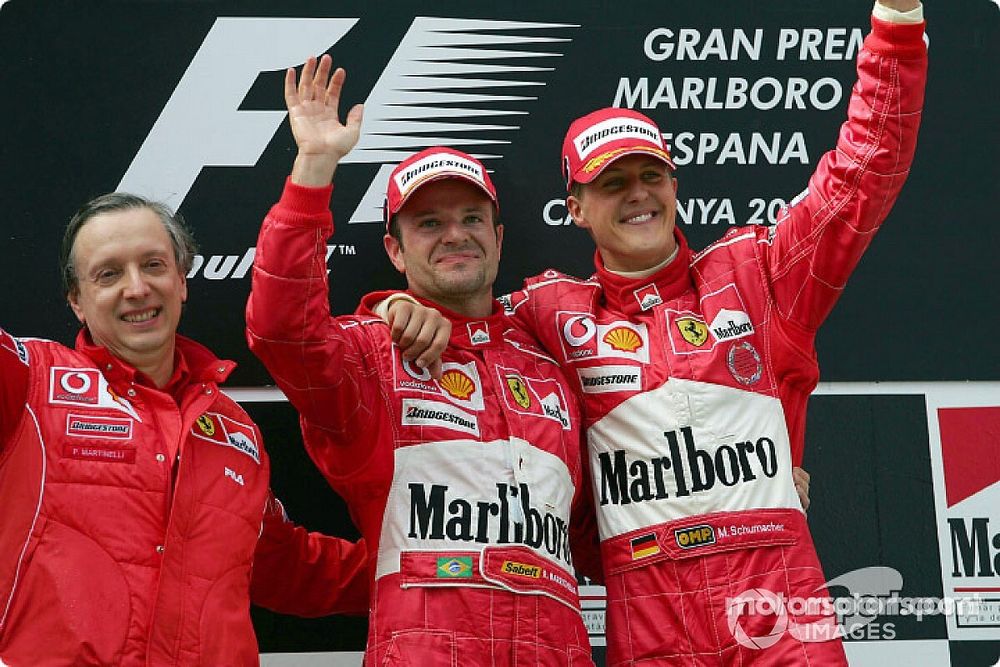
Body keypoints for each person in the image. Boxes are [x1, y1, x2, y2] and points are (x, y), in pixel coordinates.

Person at [377, 2, 927, 664]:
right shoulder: (548, 313)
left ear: (674, 182)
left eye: (650, 174)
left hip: (778, 604)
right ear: (576, 208)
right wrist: (394, 308)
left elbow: (861, 175)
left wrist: (896, 27)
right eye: (613, 183)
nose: (638, 194)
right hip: (651, 620)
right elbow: (464, 311)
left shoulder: (760, 274)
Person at [246, 56, 600, 665]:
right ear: (395, 250)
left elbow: (605, 527)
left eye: (471, 219)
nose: (455, 235)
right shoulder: (369, 355)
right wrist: (314, 168)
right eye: (429, 223)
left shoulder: (551, 356)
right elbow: (282, 330)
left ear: (499, 237)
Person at [0, 193, 367, 665]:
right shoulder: (28, 381)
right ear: (77, 301)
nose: (137, 288)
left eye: (153, 265)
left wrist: (420, 569)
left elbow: (286, 565)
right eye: (109, 274)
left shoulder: (236, 431)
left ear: (181, 281)